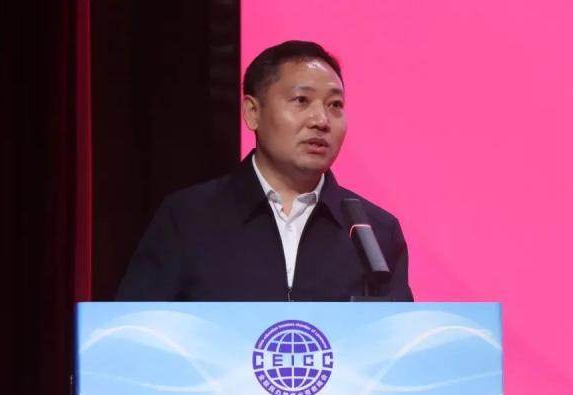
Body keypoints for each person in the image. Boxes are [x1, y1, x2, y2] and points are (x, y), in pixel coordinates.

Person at [116, 40, 413, 301]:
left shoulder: (375, 232)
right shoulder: (187, 218)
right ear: (252, 112)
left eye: (335, 104)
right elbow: (138, 332)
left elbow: (394, 341)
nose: (321, 120)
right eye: (301, 100)